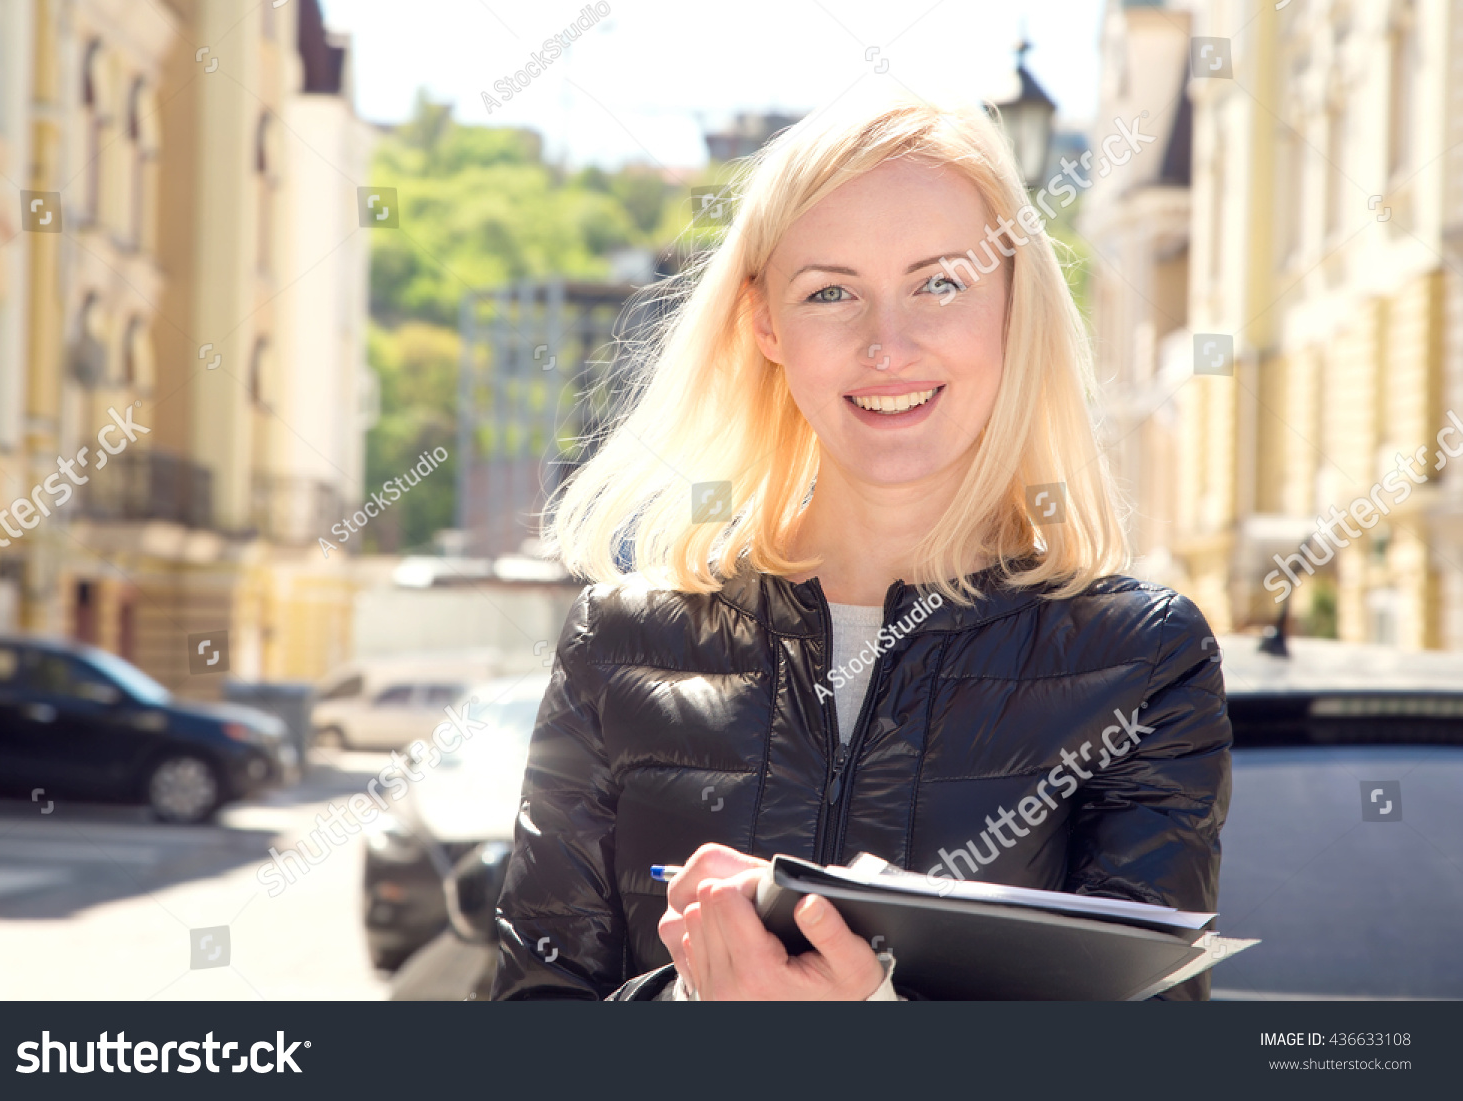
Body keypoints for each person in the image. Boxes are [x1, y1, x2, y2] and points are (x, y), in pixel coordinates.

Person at [491, 93, 1232, 1001]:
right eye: (830, 292)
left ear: (1013, 304)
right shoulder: (619, 644)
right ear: (765, 324)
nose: (888, 344)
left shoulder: (1143, 658)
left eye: (940, 283)